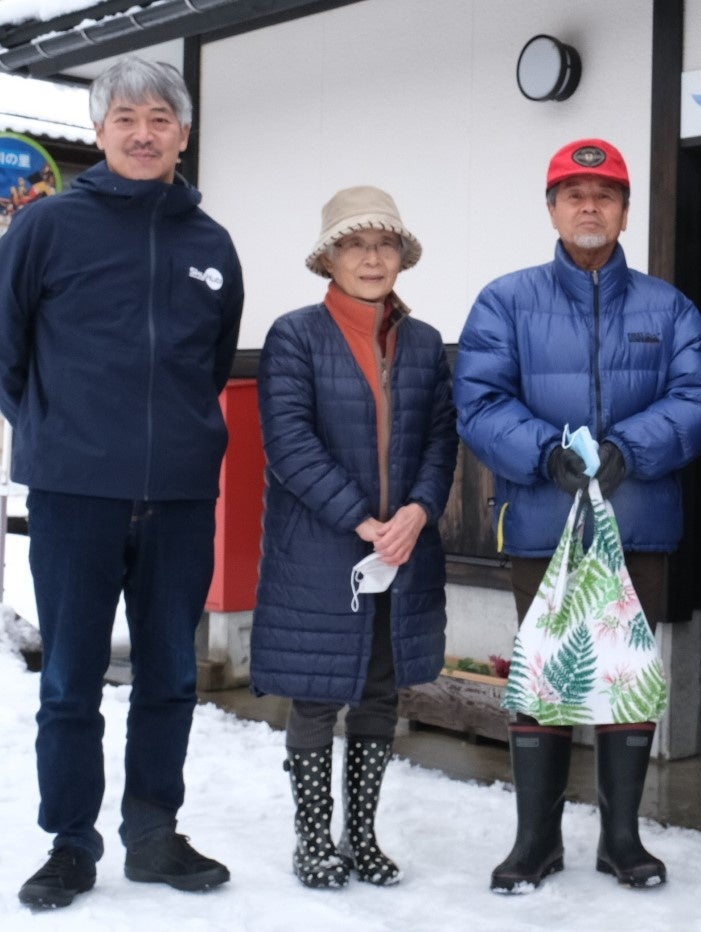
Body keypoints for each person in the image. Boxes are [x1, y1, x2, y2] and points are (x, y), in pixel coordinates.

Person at [0, 56, 244, 909]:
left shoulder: (210, 244)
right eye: (126, 119)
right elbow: (8, 353)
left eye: (160, 119)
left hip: (179, 495)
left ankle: (153, 832)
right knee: (71, 678)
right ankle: (71, 843)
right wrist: (58, 436)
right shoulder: (46, 228)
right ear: (99, 131)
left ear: (184, 133)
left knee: (171, 673)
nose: (144, 134)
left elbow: (211, 363)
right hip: (75, 494)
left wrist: (177, 446)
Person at [455, 138, 701, 892]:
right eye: (574, 195)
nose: (589, 207)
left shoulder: (669, 307)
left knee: (626, 674)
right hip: (544, 524)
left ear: (626, 211)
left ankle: (622, 840)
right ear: (552, 209)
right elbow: (479, 401)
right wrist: (544, 452)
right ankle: (535, 840)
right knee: (544, 673)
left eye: (605, 195)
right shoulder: (506, 300)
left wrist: (631, 448)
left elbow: (700, 398)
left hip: (637, 522)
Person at [249, 186, 457, 889]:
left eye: (385, 244)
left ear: (401, 257)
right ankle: (313, 841)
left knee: (379, 690)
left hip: (403, 548)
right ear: (328, 258)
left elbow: (440, 440)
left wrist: (418, 511)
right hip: (320, 548)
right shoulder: (295, 335)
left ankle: (361, 838)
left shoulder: (423, 342)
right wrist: (363, 520)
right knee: (316, 692)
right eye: (355, 244)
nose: (372, 258)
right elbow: (289, 442)